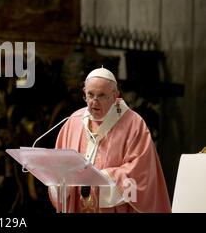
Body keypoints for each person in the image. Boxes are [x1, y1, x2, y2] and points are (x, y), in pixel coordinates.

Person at [48, 67, 171, 213]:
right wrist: (61, 180)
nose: (94, 102)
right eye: (90, 95)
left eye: (101, 95)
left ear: (115, 95)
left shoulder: (133, 124)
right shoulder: (74, 121)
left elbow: (141, 172)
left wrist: (101, 177)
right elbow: (58, 163)